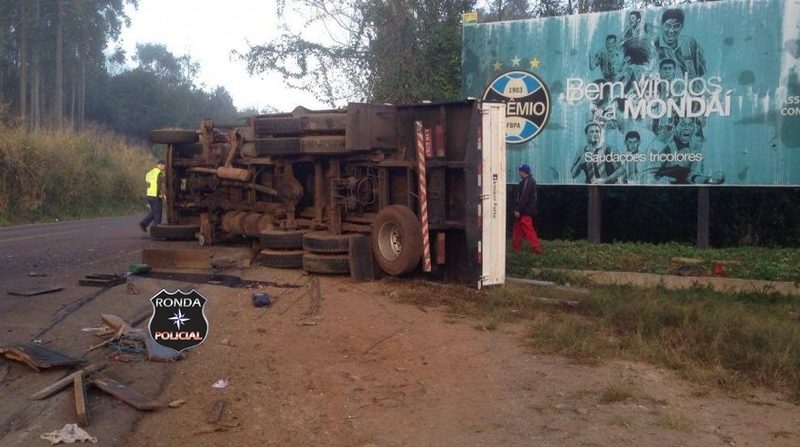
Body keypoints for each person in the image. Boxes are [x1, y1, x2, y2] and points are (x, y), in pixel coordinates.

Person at [653, 8, 706, 78]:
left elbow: (702, 71)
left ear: (681, 27)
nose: (671, 31)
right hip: (664, 88)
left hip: (689, 87)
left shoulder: (690, 44)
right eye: (668, 26)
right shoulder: (653, 46)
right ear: (662, 26)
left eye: (676, 26)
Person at [512, 164, 543, 254]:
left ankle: (537, 248)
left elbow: (524, 197)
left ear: (523, 172)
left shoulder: (528, 181)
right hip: (524, 210)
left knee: (528, 229)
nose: (519, 173)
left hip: (525, 211)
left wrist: (518, 209)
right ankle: (516, 247)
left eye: (520, 171)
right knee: (518, 229)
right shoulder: (527, 181)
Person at [139, 160, 165, 232]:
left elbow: (148, 182)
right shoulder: (160, 173)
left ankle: (143, 224)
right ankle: (155, 230)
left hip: (149, 195)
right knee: (158, 214)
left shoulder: (149, 173)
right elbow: (160, 185)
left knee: (154, 212)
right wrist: (163, 195)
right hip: (156, 195)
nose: (164, 167)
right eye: (163, 165)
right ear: (160, 165)